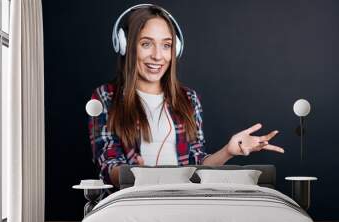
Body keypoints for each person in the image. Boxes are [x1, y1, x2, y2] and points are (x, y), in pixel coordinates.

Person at [89, 4, 284, 188]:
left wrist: (229, 151)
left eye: (166, 45)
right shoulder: (105, 97)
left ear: (176, 49)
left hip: (183, 199)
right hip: (134, 202)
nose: (158, 56)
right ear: (125, 45)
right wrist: (137, 174)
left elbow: (198, 166)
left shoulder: (189, 99)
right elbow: (107, 166)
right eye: (146, 44)